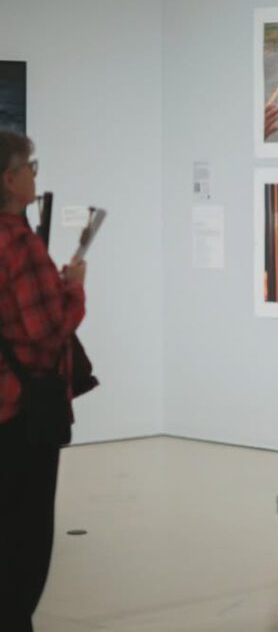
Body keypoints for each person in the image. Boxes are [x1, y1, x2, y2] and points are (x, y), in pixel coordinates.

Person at [0, 131, 87, 632]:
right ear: (9, 181)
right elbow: (48, 334)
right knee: (26, 541)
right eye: (29, 165)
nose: (36, 172)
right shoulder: (19, 244)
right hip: (23, 416)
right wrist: (73, 292)